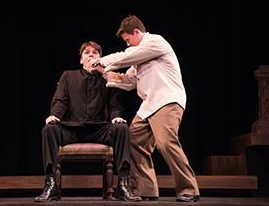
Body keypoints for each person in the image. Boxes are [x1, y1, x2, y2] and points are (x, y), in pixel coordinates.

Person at [88, 15, 200, 202]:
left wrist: (101, 61)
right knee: (132, 140)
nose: (128, 44)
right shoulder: (138, 57)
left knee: (166, 142)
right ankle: (147, 189)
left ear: (137, 32)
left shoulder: (155, 42)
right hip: (149, 106)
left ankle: (189, 188)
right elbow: (127, 81)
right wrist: (103, 71)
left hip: (167, 101)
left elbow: (126, 56)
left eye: (128, 40)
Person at [34, 41, 142, 202]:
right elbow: (60, 100)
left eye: (95, 52)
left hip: (99, 129)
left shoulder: (108, 76)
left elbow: (115, 104)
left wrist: (116, 117)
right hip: (72, 129)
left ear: (101, 58)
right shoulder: (68, 76)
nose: (91, 54)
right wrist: (55, 115)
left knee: (121, 128)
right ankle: (51, 185)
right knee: (49, 129)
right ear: (81, 60)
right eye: (87, 52)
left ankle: (123, 184)